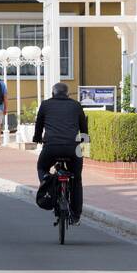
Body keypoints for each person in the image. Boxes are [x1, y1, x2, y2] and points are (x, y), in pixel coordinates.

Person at [33, 82, 89, 222]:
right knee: (76, 179)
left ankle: (47, 180)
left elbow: (39, 125)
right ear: (67, 94)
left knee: (42, 167)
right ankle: (76, 215)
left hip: (51, 147)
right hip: (72, 148)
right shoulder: (76, 105)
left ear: (53, 94)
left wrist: (37, 138)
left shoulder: (45, 104)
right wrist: (82, 141)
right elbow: (84, 129)